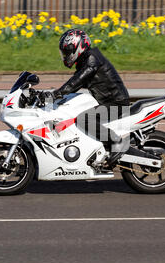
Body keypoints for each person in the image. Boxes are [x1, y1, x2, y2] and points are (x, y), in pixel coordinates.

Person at [40, 29, 130, 166]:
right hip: (108, 102)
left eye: (68, 50)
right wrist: (50, 95)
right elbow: (74, 83)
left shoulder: (92, 58)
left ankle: (116, 141)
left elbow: (77, 81)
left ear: (78, 45)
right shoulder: (85, 61)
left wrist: (55, 94)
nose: (66, 54)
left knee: (84, 119)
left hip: (116, 103)